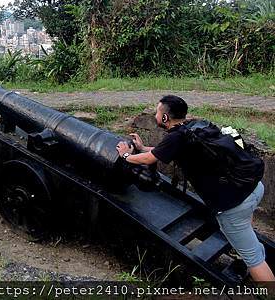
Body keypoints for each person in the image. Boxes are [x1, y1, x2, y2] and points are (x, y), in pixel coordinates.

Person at [116, 95, 274, 282]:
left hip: (234, 205)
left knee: (253, 259)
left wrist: (126, 155)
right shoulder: (193, 127)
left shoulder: (176, 138)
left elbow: (149, 159)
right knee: (246, 235)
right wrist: (142, 148)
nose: (155, 115)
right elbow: (161, 151)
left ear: (165, 118)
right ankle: (250, 249)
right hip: (252, 188)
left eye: (157, 112)